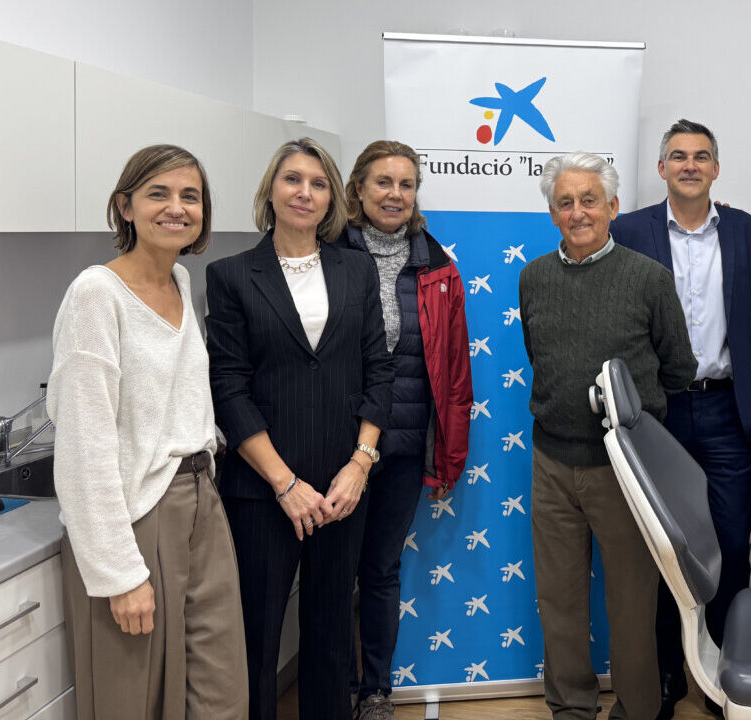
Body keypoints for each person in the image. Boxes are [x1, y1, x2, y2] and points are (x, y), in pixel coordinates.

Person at [49, 144, 247, 719]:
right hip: (138, 514)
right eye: (158, 194)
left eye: (190, 196)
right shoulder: (97, 294)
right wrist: (118, 573)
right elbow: (84, 449)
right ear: (125, 206)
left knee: (221, 690)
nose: (177, 208)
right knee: (131, 699)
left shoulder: (181, 281)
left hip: (201, 499)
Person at [206, 137, 394, 720]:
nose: (304, 192)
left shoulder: (356, 269)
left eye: (317, 183)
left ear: (333, 197)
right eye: (292, 179)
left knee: (333, 633)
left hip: (343, 486)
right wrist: (285, 484)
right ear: (271, 190)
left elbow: (378, 371)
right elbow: (229, 387)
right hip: (262, 489)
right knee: (257, 637)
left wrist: (361, 464)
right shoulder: (231, 274)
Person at [611, 119, 751, 719]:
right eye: (678, 156)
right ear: (661, 168)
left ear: (716, 169)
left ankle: (727, 673)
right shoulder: (628, 230)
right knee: (664, 549)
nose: (689, 165)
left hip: (725, 408)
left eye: (701, 156)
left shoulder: (745, 231)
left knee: (731, 543)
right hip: (656, 412)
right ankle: (665, 677)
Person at [520, 151, 697, 720]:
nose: (578, 212)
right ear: (552, 213)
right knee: (559, 599)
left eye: (589, 200)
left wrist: (635, 425)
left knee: (631, 601)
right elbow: (540, 357)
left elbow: (679, 368)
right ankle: (570, 707)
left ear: (613, 207)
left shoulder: (648, 279)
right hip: (550, 462)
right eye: (565, 202)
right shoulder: (534, 278)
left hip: (624, 468)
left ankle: (638, 709)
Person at [341, 140, 472, 720]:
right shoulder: (326, 255)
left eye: (406, 185)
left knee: (380, 569)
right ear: (359, 190)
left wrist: (447, 456)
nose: (395, 194)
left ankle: (374, 691)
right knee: (330, 569)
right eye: (383, 183)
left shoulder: (438, 267)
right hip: (337, 446)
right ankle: (330, 683)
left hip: (401, 444)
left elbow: (453, 374)